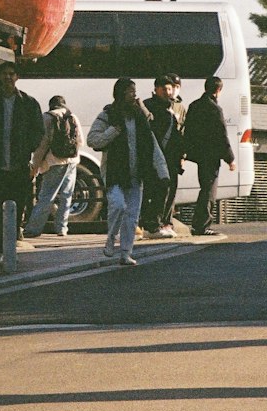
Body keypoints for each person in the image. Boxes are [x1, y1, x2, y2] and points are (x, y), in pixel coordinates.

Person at [87, 77, 168, 266]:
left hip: (137, 173)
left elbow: (152, 144)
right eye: (131, 91)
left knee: (132, 215)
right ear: (121, 93)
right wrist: (113, 131)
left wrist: (162, 171)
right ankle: (110, 238)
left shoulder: (139, 116)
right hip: (115, 172)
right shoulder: (108, 114)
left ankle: (125, 252)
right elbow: (93, 140)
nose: (134, 94)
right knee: (118, 205)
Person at [0, 62, 45, 261]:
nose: (8, 78)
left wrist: (28, 146)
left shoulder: (28, 103)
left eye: (12, 74)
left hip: (19, 163)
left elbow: (39, 130)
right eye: (4, 74)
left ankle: (10, 248)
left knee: (17, 206)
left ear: (17, 77)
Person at [182, 74, 236, 237]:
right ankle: (202, 225)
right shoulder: (214, 109)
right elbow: (221, 135)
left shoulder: (194, 105)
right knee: (209, 191)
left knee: (204, 187)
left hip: (198, 154)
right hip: (211, 155)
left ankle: (199, 224)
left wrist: (186, 152)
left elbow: (188, 130)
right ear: (218, 90)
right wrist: (230, 158)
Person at [24, 94, 81, 238]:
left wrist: (35, 166)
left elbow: (42, 145)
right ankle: (62, 228)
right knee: (67, 196)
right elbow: (80, 141)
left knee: (47, 196)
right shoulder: (72, 116)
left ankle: (33, 229)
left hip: (54, 161)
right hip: (72, 161)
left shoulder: (48, 117)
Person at [140, 73, 187, 238]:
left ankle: (164, 222)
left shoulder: (177, 107)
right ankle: (151, 224)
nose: (168, 92)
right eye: (165, 88)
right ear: (156, 89)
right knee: (153, 189)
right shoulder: (147, 106)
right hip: (153, 155)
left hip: (172, 156)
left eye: (170, 88)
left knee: (168, 190)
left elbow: (182, 133)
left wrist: (182, 156)